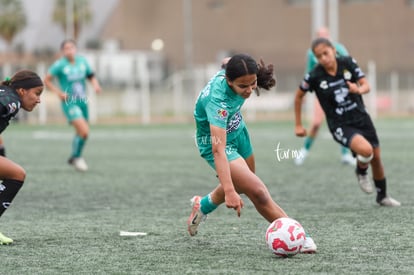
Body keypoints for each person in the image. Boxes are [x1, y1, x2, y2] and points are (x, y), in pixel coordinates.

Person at [187, 53, 317, 253]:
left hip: (239, 133)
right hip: (216, 143)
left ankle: (203, 205)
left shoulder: (232, 68)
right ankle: (299, 236)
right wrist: (229, 191)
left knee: (245, 183)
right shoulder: (218, 102)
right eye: (242, 86)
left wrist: (232, 187)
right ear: (228, 80)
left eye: (252, 83)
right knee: (257, 191)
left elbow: (228, 60)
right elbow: (218, 149)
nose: (249, 91)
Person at [294, 38, 400, 207]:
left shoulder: (347, 62)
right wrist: (298, 124)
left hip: (361, 117)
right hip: (340, 124)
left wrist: (358, 89)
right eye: (318, 56)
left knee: (376, 158)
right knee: (366, 150)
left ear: (333, 50)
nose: (323, 58)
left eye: (325, 53)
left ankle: (382, 196)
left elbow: (366, 85)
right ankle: (361, 170)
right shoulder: (314, 75)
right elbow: (299, 96)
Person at [295, 27, 355, 166]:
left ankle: (346, 155)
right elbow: (308, 73)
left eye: (325, 35)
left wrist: (350, 85)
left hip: (339, 93)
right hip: (321, 94)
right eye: (320, 35)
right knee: (316, 123)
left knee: (344, 122)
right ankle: (304, 151)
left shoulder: (339, 48)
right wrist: (303, 93)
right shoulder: (311, 53)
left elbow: (348, 66)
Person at [44, 39, 102, 172]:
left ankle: (75, 156)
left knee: (82, 133)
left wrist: (96, 85)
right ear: (63, 51)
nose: (69, 50)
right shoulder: (59, 65)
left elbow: (90, 75)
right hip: (69, 102)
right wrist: (59, 93)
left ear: (75, 49)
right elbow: (46, 80)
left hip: (82, 101)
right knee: (84, 131)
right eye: (66, 48)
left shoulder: (82, 61)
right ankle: (77, 157)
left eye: (71, 47)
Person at [0, 70, 43, 244]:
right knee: (17, 174)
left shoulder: (7, 94)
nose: (39, 99)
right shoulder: (12, 102)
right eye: (37, 93)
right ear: (22, 91)